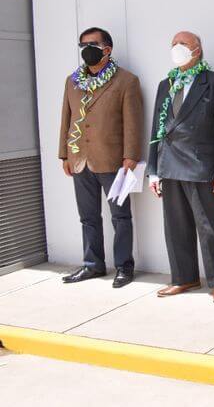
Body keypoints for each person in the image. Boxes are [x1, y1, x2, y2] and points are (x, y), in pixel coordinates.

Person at [147, 31, 214, 303]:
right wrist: (153, 169)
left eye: (183, 44)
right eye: (173, 44)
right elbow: (157, 128)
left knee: (209, 226)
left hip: (201, 166)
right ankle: (183, 277)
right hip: (169, 165)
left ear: (197, 49)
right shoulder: (166, 84)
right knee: (175, 225)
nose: (177, 48)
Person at [59, 27, 143, 288]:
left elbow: (133, 122)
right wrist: (64, 155)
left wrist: (131, 156)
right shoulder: (72, 81)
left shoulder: (126, 81)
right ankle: (92, 265)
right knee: (88, 216)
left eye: (92, 44)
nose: (87, 49)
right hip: (79, 159)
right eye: (82, 45)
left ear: (107, 49)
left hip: (112, 160)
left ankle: (124, 267)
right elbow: (67, 118)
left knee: (120, 217)